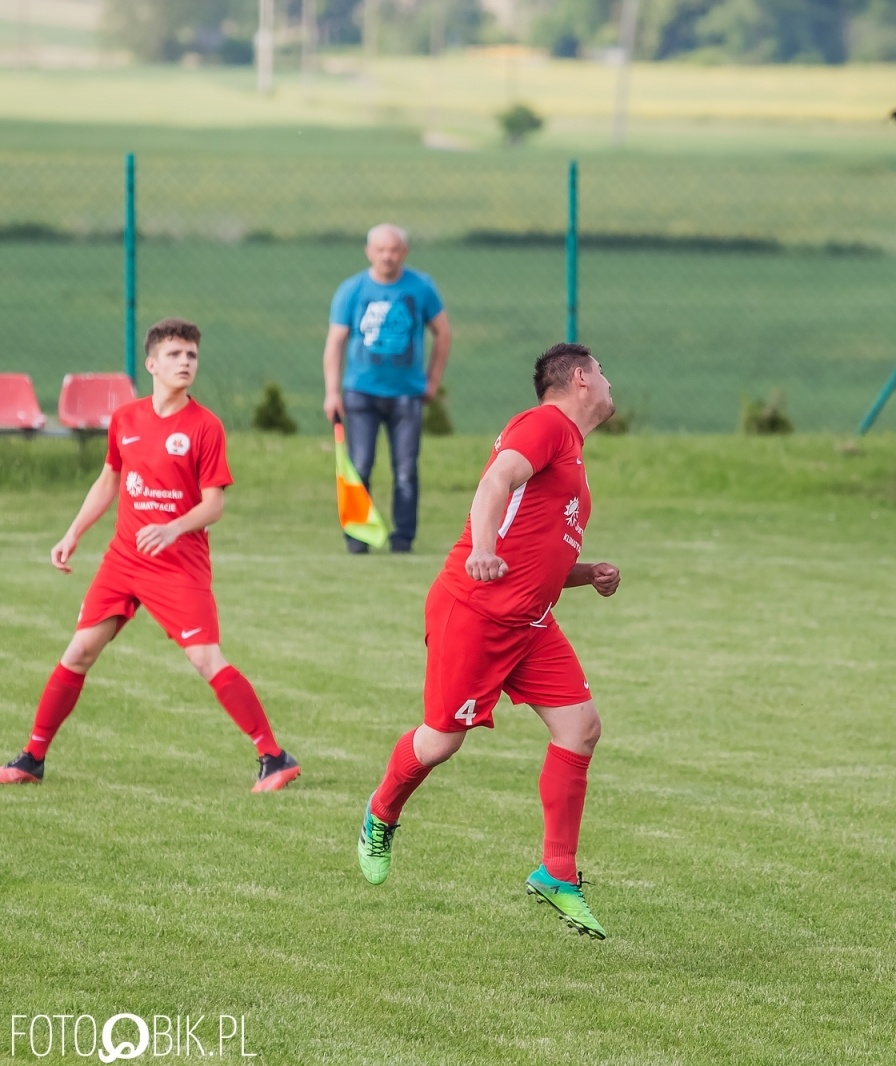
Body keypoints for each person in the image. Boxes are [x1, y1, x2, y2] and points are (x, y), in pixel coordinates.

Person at [356, 342, 620, 940]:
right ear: (580, 379)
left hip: (530, 622)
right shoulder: (546, 424)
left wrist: (587, 573)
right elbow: (496, 481)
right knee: (442, 741)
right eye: (602, 372)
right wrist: (479, 549)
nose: (609, 382)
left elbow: (535, 548)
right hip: (474, 612)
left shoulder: (572, 452)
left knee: (581, 727)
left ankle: (557, 872)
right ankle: (381, 812)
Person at [0, 318, 299, 791]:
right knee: (78, 652)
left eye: (192, 356)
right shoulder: (126, 419)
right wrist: (73, 532)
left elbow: (214, 503)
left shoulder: (205, 426)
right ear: (152, 363)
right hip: (123, 560)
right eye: (176, 354)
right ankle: (31, 759)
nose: (185, 362)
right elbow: (109, 480)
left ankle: (274, 756)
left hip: (179, 564)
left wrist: (173, 528)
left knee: (206, 659)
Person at [322, 223, 452, 554]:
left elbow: (443, 333)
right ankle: (357, 534)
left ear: (404, 253)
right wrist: (332, 392)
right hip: (360, 393)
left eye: (394, 250)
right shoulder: (351, 290)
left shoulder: (421, 287)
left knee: (406, 469)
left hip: (407, 394)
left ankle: (403, 537)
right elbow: (335, 343)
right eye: (381, 250)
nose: (388, 256)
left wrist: (432, 379)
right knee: (360, 465)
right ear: (369, 252)